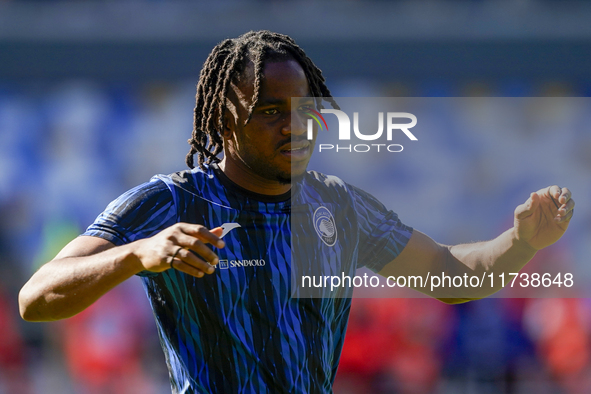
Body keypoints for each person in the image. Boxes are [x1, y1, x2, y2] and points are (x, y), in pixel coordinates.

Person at [18, 31, 575, 393]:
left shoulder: (338, 205)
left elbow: (453, 275)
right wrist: (137, 254)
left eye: (301, 109)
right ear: (222, 121)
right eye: (268, 112)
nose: (294, 125)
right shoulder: (169, 202)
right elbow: (36, 297)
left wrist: (522, 242)